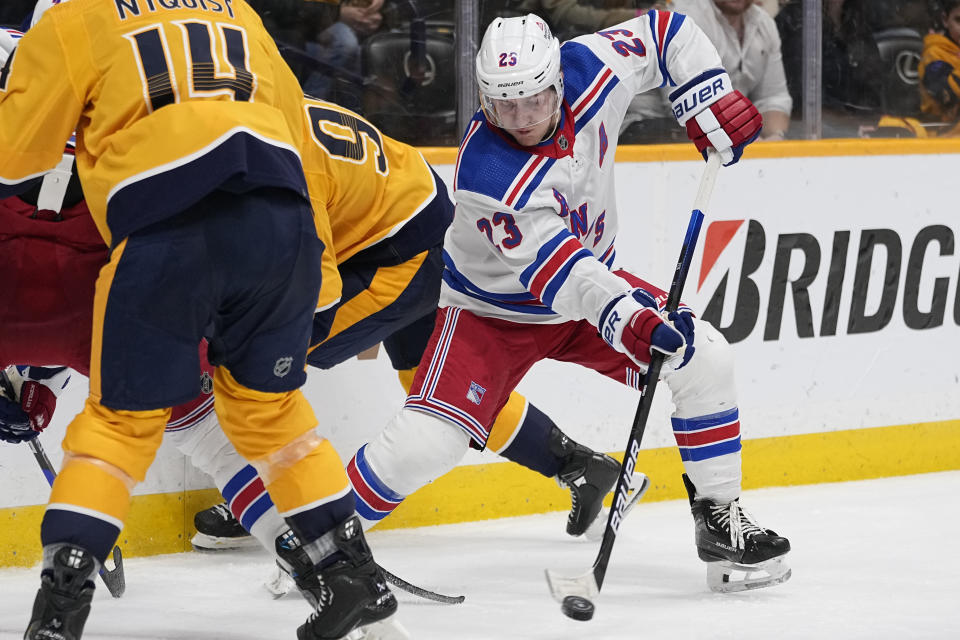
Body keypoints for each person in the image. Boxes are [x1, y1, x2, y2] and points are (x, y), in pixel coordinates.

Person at [345, 11, 793, 594]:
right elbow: (563, 274)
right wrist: (629, 318)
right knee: (427, 443)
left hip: (590, 292)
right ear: (485, 98)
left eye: (533, 100)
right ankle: (320, 543)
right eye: (504, 105)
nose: (521, 119)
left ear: (557, 80)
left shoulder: (590, 66)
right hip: (492, 315)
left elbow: (666, 32)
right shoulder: (488, 171)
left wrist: (704, 98)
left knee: (705, 359)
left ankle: (720, 521)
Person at [0, 2, 399, 640]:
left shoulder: (73, 19)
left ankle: (61, 604)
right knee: (270, 414)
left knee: (120, 426)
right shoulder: (237, 9)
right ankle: (351, 573)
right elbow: (299, 135)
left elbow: (14, 160)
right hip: (285, 222)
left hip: (167, 226)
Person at [625, 0, 791, 140]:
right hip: (646, 127)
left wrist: (774, 141)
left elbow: (773, 98)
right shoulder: (684, 18)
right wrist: (749, 144)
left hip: (718, 133)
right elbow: (691, 108)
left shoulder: (764, 24)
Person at [919, 0, 960, 135]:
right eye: (959, 20)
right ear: (945, 20)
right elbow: (947, 95)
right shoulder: (934, 54)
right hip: (943, 139)